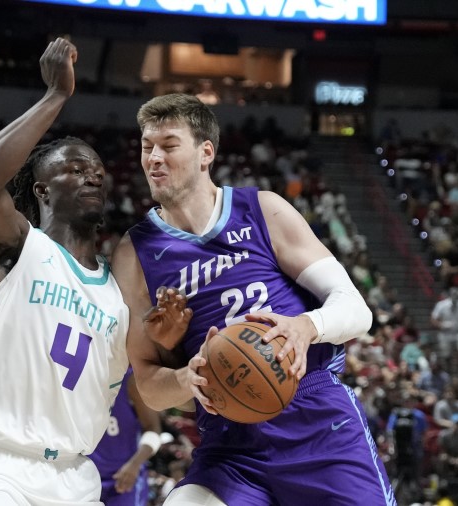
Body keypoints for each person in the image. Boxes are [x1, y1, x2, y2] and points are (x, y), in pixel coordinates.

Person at [111, 93, 394, 505]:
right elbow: (150, 387)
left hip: (315, 418)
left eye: (169, 145)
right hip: (230, 437)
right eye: (146, 147)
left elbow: (356, 310)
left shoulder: (261, 209)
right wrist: (185, 378)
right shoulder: (134, 253)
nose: (154, 157)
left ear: (206, 152)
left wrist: (305, 327)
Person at [0, 37, 130, 505]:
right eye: (77, 168)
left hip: (75, 477)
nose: (93, 175)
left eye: (98, 170)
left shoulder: (117, 294)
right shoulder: (17, 250)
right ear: (42, 191)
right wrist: (54, 97)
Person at [90, 370, 163, 506]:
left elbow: (153, 429)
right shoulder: (83, 377)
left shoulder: (131, 380)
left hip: (124, 476)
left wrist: (135, 464)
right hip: (86, 475)